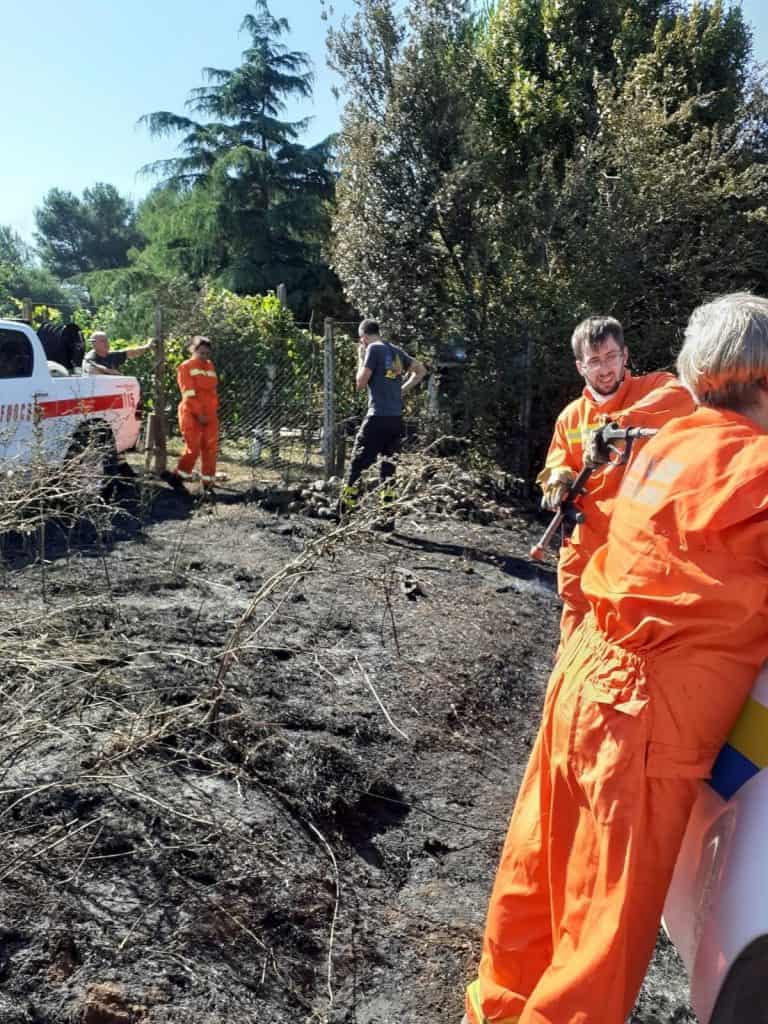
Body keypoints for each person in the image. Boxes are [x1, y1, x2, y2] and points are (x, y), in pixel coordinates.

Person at [464, 292, 768, 1024]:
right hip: (648, 721)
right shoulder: (759, 470)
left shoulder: (666, 442)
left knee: (534, 889)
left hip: (581, 676)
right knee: (597, 939)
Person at [536, 315, 694, 647]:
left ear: (625, 355)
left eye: (611, 357)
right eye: (594, 361)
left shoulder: (656, 388)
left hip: (642, 546)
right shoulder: (570, 417)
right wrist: (558, 477)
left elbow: (683, 396)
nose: (605, 368)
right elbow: (558, 459)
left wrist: (618, 426)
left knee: (632, 639)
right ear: (581, 367)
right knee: (576, 628)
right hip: (585, 541)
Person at [339, 319, 426, 516]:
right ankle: (387, 519)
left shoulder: (373, 349)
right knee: (388, 471)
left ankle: (343, 512)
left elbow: (360, 383)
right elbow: (421, 370)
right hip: (396, 420)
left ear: (363, 337)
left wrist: (361, 358)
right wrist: (401, 391)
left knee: (357, 465)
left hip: (377, 417)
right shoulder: (395, 350)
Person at [165, 336, 219, 491]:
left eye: (207, 353)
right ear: (193, 350)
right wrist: (198, 413)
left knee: (210, 447)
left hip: (210, 413)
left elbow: (213, 391)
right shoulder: (185, 366)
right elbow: (188, 393)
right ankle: (178, 477)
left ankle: (208, 483)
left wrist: (212, 411)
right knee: (193, 447)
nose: (204, 356)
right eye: (201, 353)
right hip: (191, 412)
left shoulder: (210, 366)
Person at [83, 331, 153, 375]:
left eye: (107, 340)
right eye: (102, 341)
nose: (107, 343)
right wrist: (113, 372)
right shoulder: (90, 357)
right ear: (93, 344)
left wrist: (147, 346)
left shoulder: (112, 355)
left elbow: (132, 352)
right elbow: (92, 369)